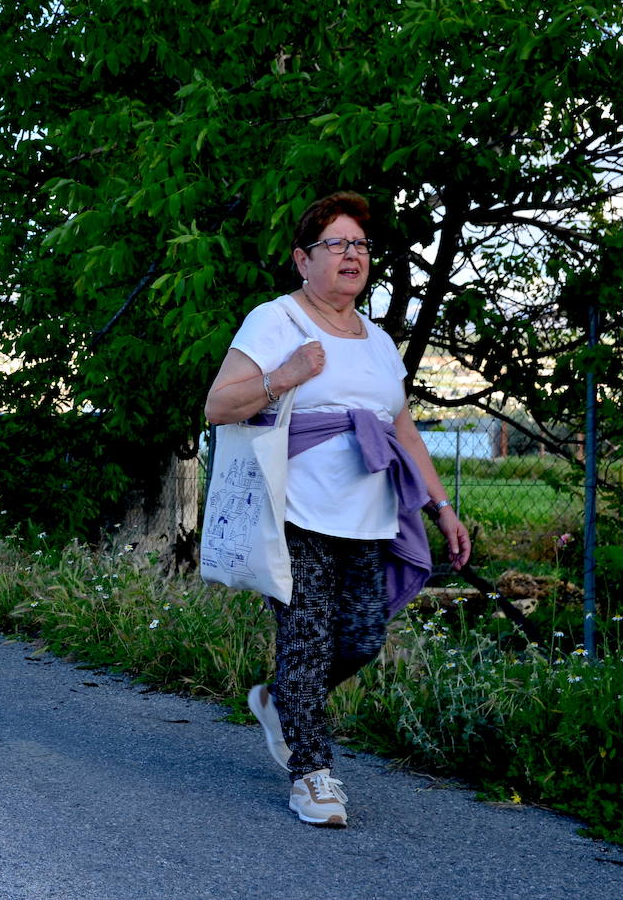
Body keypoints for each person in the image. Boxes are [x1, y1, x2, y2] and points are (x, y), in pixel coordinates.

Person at [203, 191, 471, 827]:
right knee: (308, 641)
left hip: (368, 515)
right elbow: (218, 405)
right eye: (336, 245)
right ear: (303, 259)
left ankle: (279, 701)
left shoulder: (377, 342)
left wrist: (441, 506)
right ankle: (313, 776)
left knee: (362, 637)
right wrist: (285, 374)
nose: (352, 255)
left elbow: (401, 429)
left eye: (360, 245)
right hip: (293, 509)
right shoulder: (276, 321)